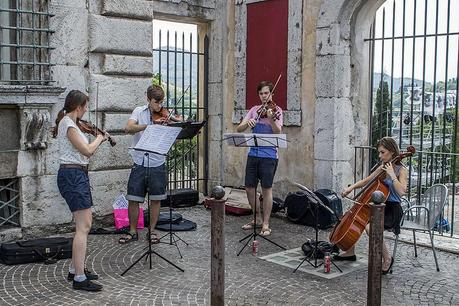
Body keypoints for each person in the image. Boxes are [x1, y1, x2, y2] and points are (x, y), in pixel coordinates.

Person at [53, 90, 108, 291]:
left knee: (83, 224)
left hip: (76, 175)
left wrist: (97, 137)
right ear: (78, 107)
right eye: (85, 106)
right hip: (73, 176)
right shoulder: (68, 124)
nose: (86, 110)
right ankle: (79, 278)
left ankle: (73, 269)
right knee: (83, 227)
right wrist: (100, 139)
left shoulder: (71, 123)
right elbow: (87, 151)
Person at [335, 137, 408, 274]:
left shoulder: (401, 170)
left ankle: (387, 258)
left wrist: (392, 175)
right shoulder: (383, 167)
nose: (380, 156)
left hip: (392, 209)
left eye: (382, 152)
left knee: (370, 227)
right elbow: (367, 181)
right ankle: (350, 251)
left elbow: (401, 192)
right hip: (378, 205)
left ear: (392, 152)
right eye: (379, 153)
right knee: (357, 218)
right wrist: (351, 189)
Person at [118, 84, 167, 245]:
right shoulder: (139, 111)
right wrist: (149, 126)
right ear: (148, 100)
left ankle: (152, 231)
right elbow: (128, 128)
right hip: (139, 161)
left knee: (156, 199)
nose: (159, 106)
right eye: (156, 102)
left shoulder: (164, 114)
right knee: (133, 198)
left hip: (157, 161)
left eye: (161, 102)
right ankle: (132, 231)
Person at [236, 80, 283, 236]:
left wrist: (270, 119)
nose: (264, 96)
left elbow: (277, 132)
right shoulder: (254, 110)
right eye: (261, 93)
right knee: (249, 188)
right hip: (253, 154)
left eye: (266, 93)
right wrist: (248, 124)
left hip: (269, 155)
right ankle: (256, 218)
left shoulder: (276, 111)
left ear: (271, 94)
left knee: (266, 189)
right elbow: (239, 128)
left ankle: (266, 223)